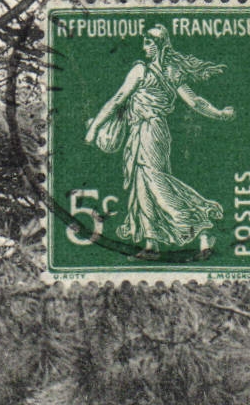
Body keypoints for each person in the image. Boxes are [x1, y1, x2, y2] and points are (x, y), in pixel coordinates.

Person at [84, 25, 236, 249]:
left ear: (159, 45)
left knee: (155, 181)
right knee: (142, 182)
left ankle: (195, 219)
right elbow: (195, 102)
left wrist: (94, 128)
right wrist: (219, 114)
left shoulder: (142, 71)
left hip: (150, 131)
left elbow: (118, 99)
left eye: (148, 43)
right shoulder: (172, 72)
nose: (144, 47)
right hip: (148, 131)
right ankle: (151, 241)